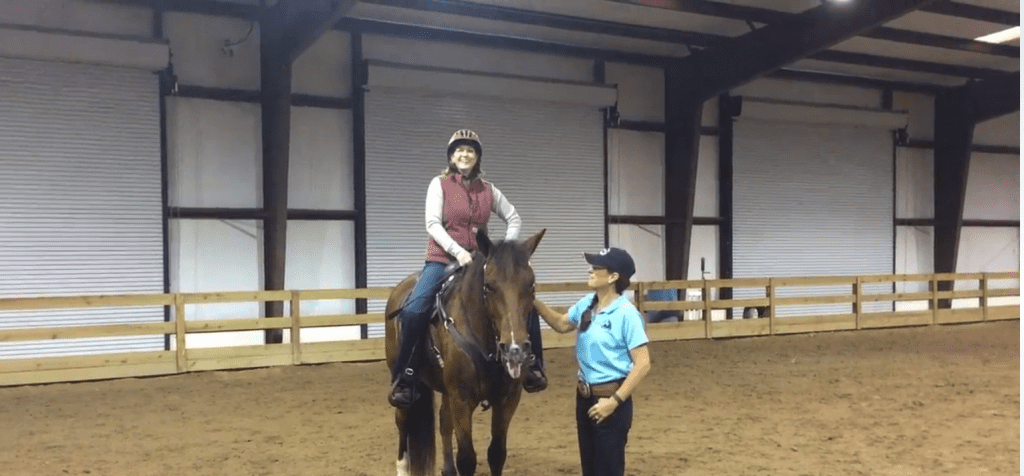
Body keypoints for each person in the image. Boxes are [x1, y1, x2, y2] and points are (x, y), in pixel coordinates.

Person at [389, 129, 548, 409]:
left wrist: (503, 253)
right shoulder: (439, 185)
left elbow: (513, 217)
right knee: (414, 310)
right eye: (459, 150)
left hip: (479, 261)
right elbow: (432, 224)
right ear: (451, 157)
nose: (464, 155)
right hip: (442, 259)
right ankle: (406, 376)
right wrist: (457, 251)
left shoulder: (489, 190)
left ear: (477, 157)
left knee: (521, 302)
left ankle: (533, 366)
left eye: (470, 150)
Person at [534, 247, 651, 476]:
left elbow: (643, 363)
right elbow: (561, 324)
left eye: (597, 267)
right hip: (585, 399)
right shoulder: (588, 303)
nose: (590, 270)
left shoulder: (627, 314)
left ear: (613, 277)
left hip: (611, 400)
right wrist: (533, 302)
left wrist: (614, 401)